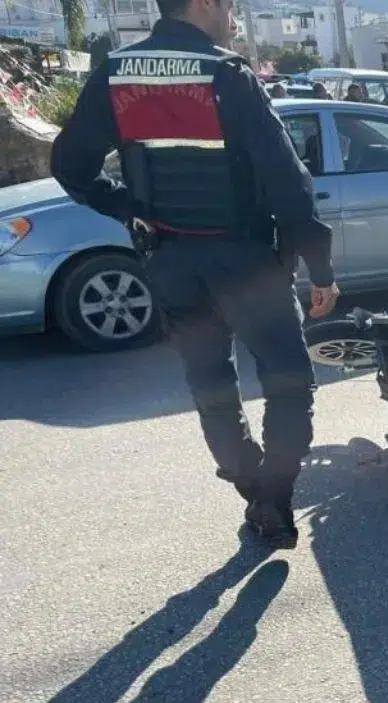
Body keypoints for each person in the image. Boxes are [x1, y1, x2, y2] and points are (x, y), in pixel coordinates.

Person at [49, 0, 339, 549]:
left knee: (210, 382)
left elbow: (69, 165)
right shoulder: (227, 74)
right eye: (229, 4)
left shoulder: (116, 73)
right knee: (287, 379)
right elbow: (288, 180)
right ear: (204, 3)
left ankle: (252, 487)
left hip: (171, 260)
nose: (232, 16)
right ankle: (274, 495)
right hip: (246, 259)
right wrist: (319, 265)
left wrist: (127, 206)